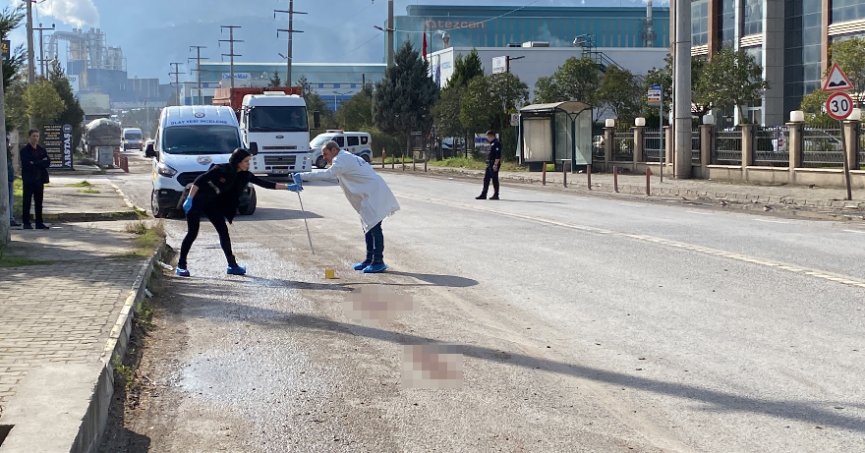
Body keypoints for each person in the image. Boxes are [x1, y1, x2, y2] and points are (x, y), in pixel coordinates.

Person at [175, 148, 301, 277]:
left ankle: (232, 265)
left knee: (223, 232)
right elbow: (199, 181)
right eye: (246, 161)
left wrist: (289, 187)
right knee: (192, 233)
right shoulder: (221, 169)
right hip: (197, 200)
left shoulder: (245, 175)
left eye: (248, 161)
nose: (248, 164)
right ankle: (181, 265)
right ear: (238, 161)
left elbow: (265, 183)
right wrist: (189, 199)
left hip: (212, 204)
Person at [294, 140, 400, 273]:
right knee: (368, 228)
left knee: (375, 227)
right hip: (369, 194)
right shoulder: (345, 157)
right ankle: (369, 260)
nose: (324, 158)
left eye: (326, 154)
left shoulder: (341, 159)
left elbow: (328, 174)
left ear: (334, 150)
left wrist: (302, 176)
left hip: (373, 194)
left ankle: (378, 262)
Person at [20, 129, 50, 229]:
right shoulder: (24, 151)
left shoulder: (41, 150)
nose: (35, 138)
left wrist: (35, 162)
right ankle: (26, 223)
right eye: (33, 136)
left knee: (39, 202)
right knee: (27, 201)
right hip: (29, 179)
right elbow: (27, 164)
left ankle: (39, 223)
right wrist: (39, 162)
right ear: (29, 137)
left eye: (37, 136)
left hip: (39, 179)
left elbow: (47, 162)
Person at [476, 129, 501, 200]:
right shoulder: (492, 143)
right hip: (490, 163)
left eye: (488, 136)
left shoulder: (496, 143)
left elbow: (498, 155)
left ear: (491, 136)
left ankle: (496, 195)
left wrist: (495, 165)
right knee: (486, 179)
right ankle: (483, 194)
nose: (487, 138)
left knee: (494, 179)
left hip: (494, 164)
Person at [6, 137, 19, 227]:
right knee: (9, 200)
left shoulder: (8, 153)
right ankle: (9, 218)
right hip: (6, 180)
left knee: (11, 200)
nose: (8, 145)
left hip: (10, 179)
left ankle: (10, 218)